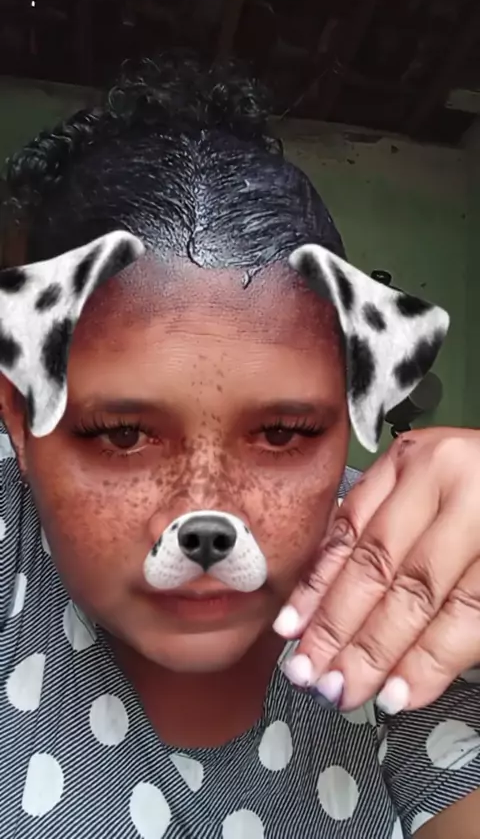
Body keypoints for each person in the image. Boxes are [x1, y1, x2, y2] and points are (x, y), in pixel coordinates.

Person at [1, 52, 480, 839]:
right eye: (122, 434)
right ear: (20, 422)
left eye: (283, 434)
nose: (206, 514)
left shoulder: (399, 580)